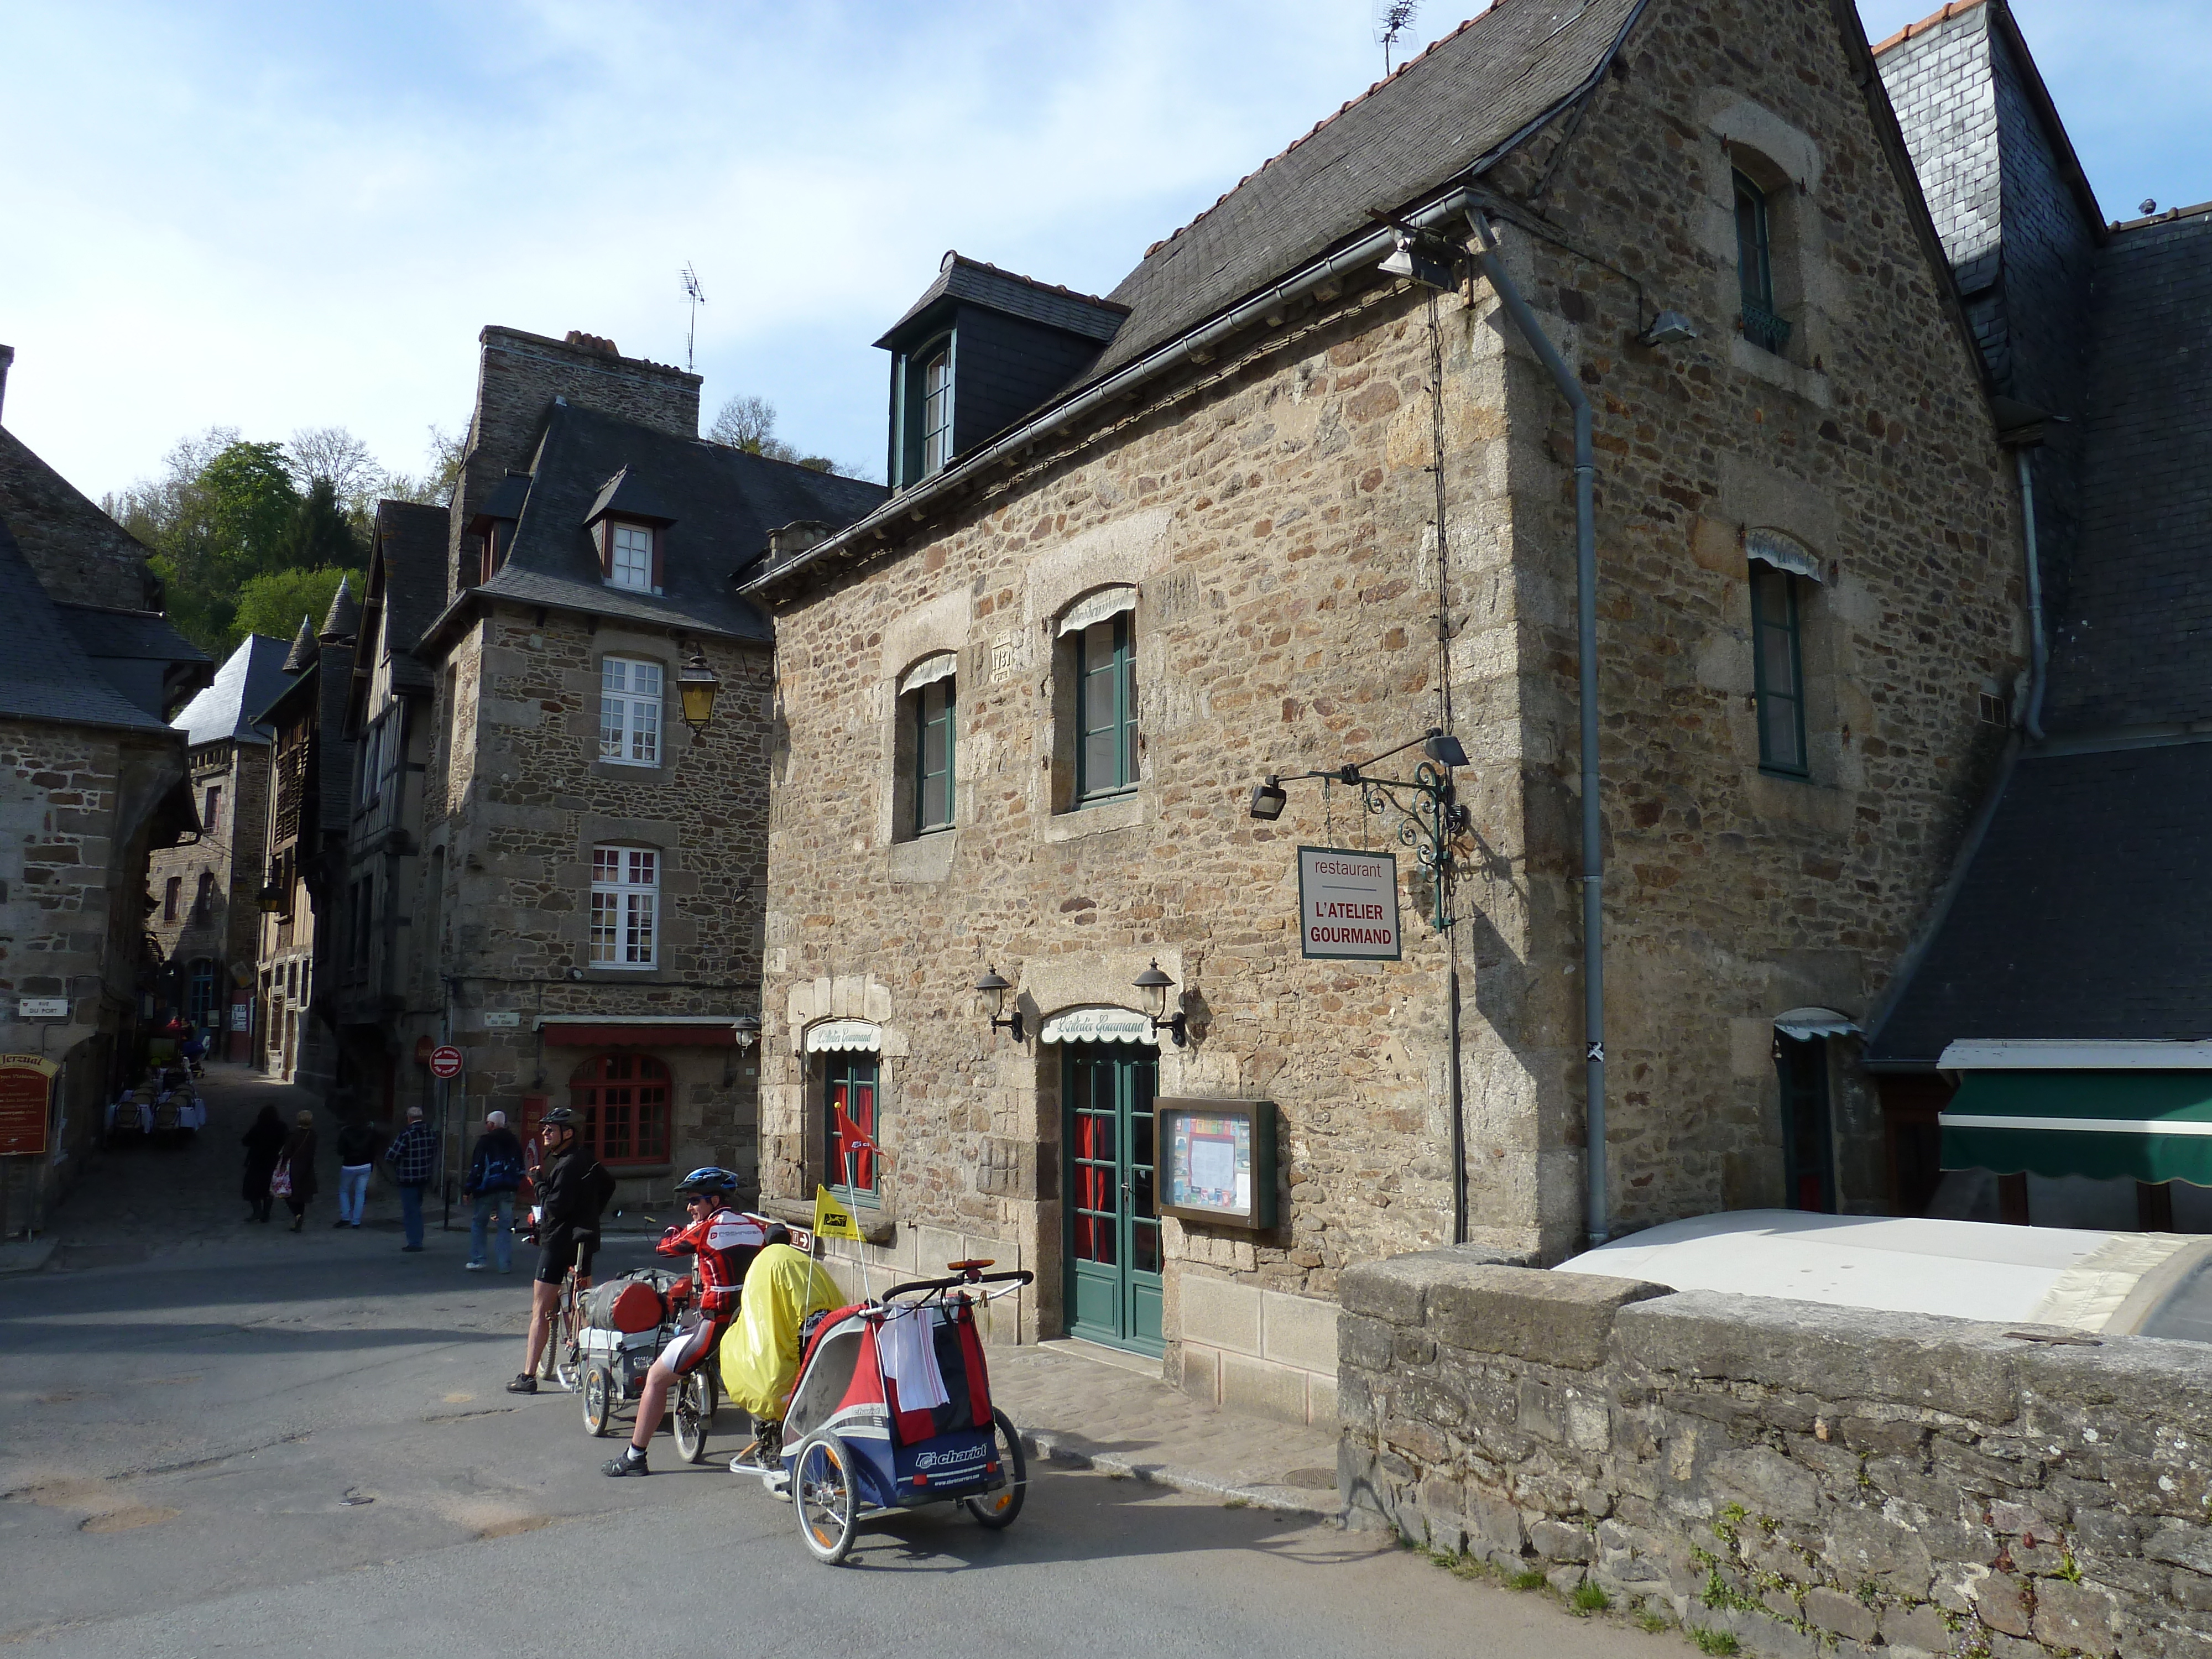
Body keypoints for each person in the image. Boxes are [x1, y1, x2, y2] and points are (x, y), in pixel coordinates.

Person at [602, 1168, 766, 1477]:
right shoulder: (754, 1224)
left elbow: (666, 1248)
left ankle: (635, 1456)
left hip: (714, 1324)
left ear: (714, 1200)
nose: (690, 1207)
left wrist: (673, 1229)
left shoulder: (705, 1229)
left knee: (655, 1378)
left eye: (694, 1201)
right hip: (748, 1319)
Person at [509, 1105, 614, 1394]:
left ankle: (528, 1376)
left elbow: (554, 1206)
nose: (545, 1132)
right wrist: (590, 1215)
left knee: (540, 1308)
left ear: (567, 1133)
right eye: (544, 1128)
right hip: (584, 1240)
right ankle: (586, 1363)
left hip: (558, 1242)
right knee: (582, 1303)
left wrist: (538, 1183)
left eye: (550, 1129)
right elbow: (608, 1184)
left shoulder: (566, 1165)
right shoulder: (585, 1159)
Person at [719, 1224, 841, 1470]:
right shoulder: (807, 1262)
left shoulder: (761, 1264)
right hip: (824, 1334)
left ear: (765, 1243)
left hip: (791, 1340)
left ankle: (783, 1449)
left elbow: (757, 1312)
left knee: (754, 1367)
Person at [462, 1109, 525, 1272]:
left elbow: (477, 1168)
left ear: (491, 1124)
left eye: (487, 1123)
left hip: (487, 1188)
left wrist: (468, 1189)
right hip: (509, 1188)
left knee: (479, 1223)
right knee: (505, 1227)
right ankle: (504, 1264)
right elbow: (520, 1167)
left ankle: (479, 1259)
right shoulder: (514, 1141)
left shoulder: (485, 1142)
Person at [383, 1105, 436, 1253]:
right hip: (424, 1176)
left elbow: (392, 1155)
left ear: (409, 1118)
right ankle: (418, 1237)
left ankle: (415, 1242)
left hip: (408, 1177)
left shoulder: (406, 1134)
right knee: (417, 1208)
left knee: (411, 1211)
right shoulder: (430, 1132)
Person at [240, 1104, 287, 1223]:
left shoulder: (258, 1127)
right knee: (269, 1188)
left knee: (252, 1187)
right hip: (274, 1161)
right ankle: (266, 1214)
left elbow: (246, 1141)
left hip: (257, 1161)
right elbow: (287, 1141)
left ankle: (257, 1211)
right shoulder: (281, 1127)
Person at [274, 1110, 318, 1232]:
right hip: (307, 1167)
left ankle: (297, 1215)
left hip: (294, 1168)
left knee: (288, 1194)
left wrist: (281, 1165)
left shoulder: (293, 1135)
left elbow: (287, 1152)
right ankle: (299, 1216)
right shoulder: (313, 1134)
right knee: (302, 1195)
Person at [333, 1113, 379, 1229]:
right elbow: (373, 1149)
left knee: (344, 1190)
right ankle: (356, 1221)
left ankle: (346, 1217)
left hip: (349, 1165)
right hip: (365, 1165)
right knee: (360, 1193)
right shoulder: (370, 1132)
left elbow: (340, 1151)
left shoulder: (345, 1132)